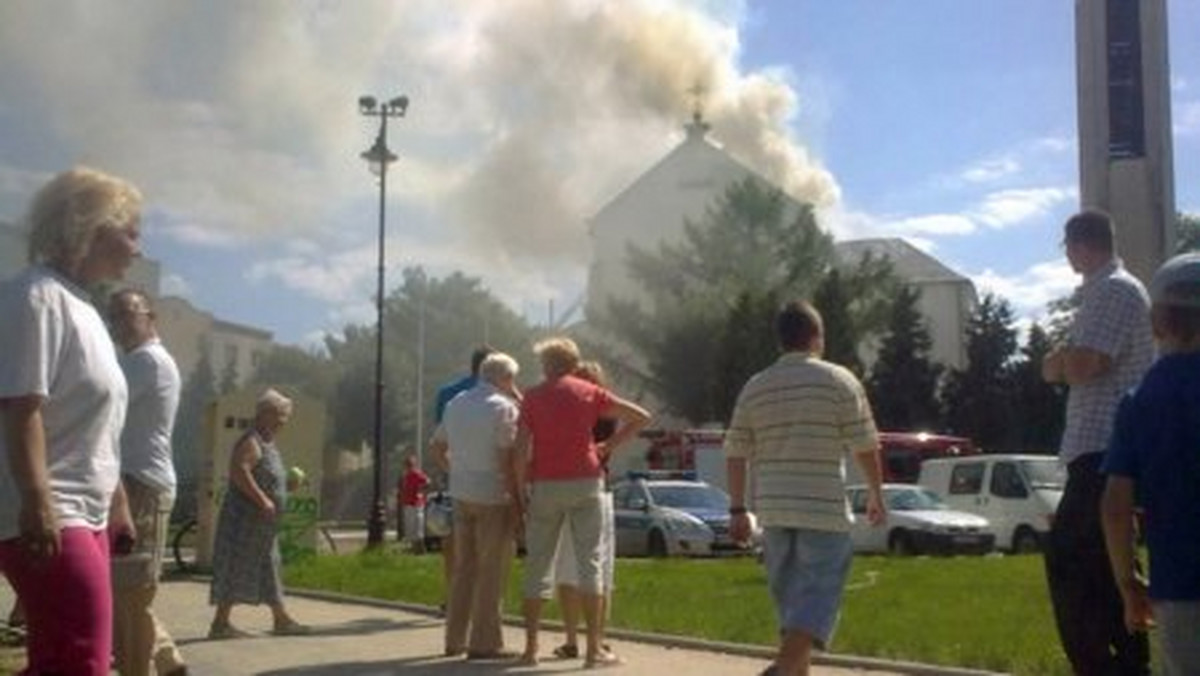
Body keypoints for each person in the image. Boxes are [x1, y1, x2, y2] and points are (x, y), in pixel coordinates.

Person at [0, 166, 141, 675]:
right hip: (49, 512)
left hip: (87, 512)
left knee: (63, 658)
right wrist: (38, 502)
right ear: (90, 227)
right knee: (82, 661)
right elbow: (21, 408)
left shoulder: (85, 309)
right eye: (130, 232)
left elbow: (98, 425)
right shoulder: (35, 297)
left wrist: (118, 502)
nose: (136, 247)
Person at [724, 300, 885, 676]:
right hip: (823, 508)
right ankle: (782, 669)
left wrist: (736, 508)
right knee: (816, 596)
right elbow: (866, 444)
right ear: (816, 336)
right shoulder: (838, 380)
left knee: (792, 603)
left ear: (781, 340)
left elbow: (735, 451)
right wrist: (876, 492)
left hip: (774, 509)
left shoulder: (755, 387)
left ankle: (794, 670)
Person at [1042, 210, 1153, 675]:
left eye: (1068, 246)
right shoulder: (1110, 292)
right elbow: (1071, 363)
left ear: (1081, 245)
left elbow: (1085, 365)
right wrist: (1064, 361)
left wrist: (1059, 362)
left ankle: (1102, 667)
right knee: (1106, 572)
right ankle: (1128, 664)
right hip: (1105, 452)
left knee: (1068, 562)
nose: (1067, 255)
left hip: (1102, 452)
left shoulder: (1112, 290)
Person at [516, 337, 650, 668]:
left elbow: (521, 449)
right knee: (590, 563)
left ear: (546, 365)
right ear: (574, 365)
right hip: (587, 481)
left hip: (546, 482)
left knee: (538, 565)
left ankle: (531, 648)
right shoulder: (589, 392)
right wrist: (606, 445)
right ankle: (592, 651)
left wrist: (521, 490)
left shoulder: (531, 397)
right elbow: (641, 416)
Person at [1102, 252, 1200, 676]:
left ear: (1156, 321)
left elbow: (1115, 508)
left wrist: (1129, 586)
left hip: (1179, 584)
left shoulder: (1140, 402)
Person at [108, 289, 187, 676]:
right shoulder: (141, 361)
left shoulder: (144, 362)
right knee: (125, 593)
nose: (119, 324)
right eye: (114, 317)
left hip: (141, 486)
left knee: (130, 597)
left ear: (150, 317)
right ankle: (169, 660)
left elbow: (96, 404)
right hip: (135, 485)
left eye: (128, 314)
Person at [432, 352, 523, 660]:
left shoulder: (455, 403)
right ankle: (485, 642)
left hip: (461, 492)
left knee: (463, 568)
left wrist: (454, 472)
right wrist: (516, 499)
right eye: (512, 378)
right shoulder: (504, 408)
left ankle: (454, 638)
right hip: (492, 495)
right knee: (491, 570)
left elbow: (437, 446)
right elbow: (505, 458)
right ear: (505, 379)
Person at [208, 388, 308, 639]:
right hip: (244, 523)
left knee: (270, 568)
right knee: (237, 566)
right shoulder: (251, 440)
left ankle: (281, 619)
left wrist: (286, 486)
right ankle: (220, 624)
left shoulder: (266, 441)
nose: (284, 422)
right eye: (281, 415)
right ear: (266, 413)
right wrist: (263, 499)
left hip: (261, 527)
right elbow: (239, 471)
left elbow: (265, 477)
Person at [550, 360, 617, 660]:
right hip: (593, 488)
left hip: (571, 488)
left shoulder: (575, 410)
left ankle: (580, 639)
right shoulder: (605, 410)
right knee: (593, 568)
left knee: (575, 568)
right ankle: (592, 640)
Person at [429, 346, 495, 603]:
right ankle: (482, 595)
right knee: (488, 540)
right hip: (489, 473)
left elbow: (439, 438)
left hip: (456, 471)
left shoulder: (447, 393)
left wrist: (449, 468)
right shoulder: (498, 393)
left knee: (453, 537)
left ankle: (453, 594)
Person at [397, 454, 430, 553]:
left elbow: (427, 481)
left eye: (409, 464)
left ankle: (419, 546)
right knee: (410, 525)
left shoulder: (416, 474)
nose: (408, 467)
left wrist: (420, 489)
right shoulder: (405, 476)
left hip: (415, 503)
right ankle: (413, 546)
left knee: (416, 525)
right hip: (408, 503)